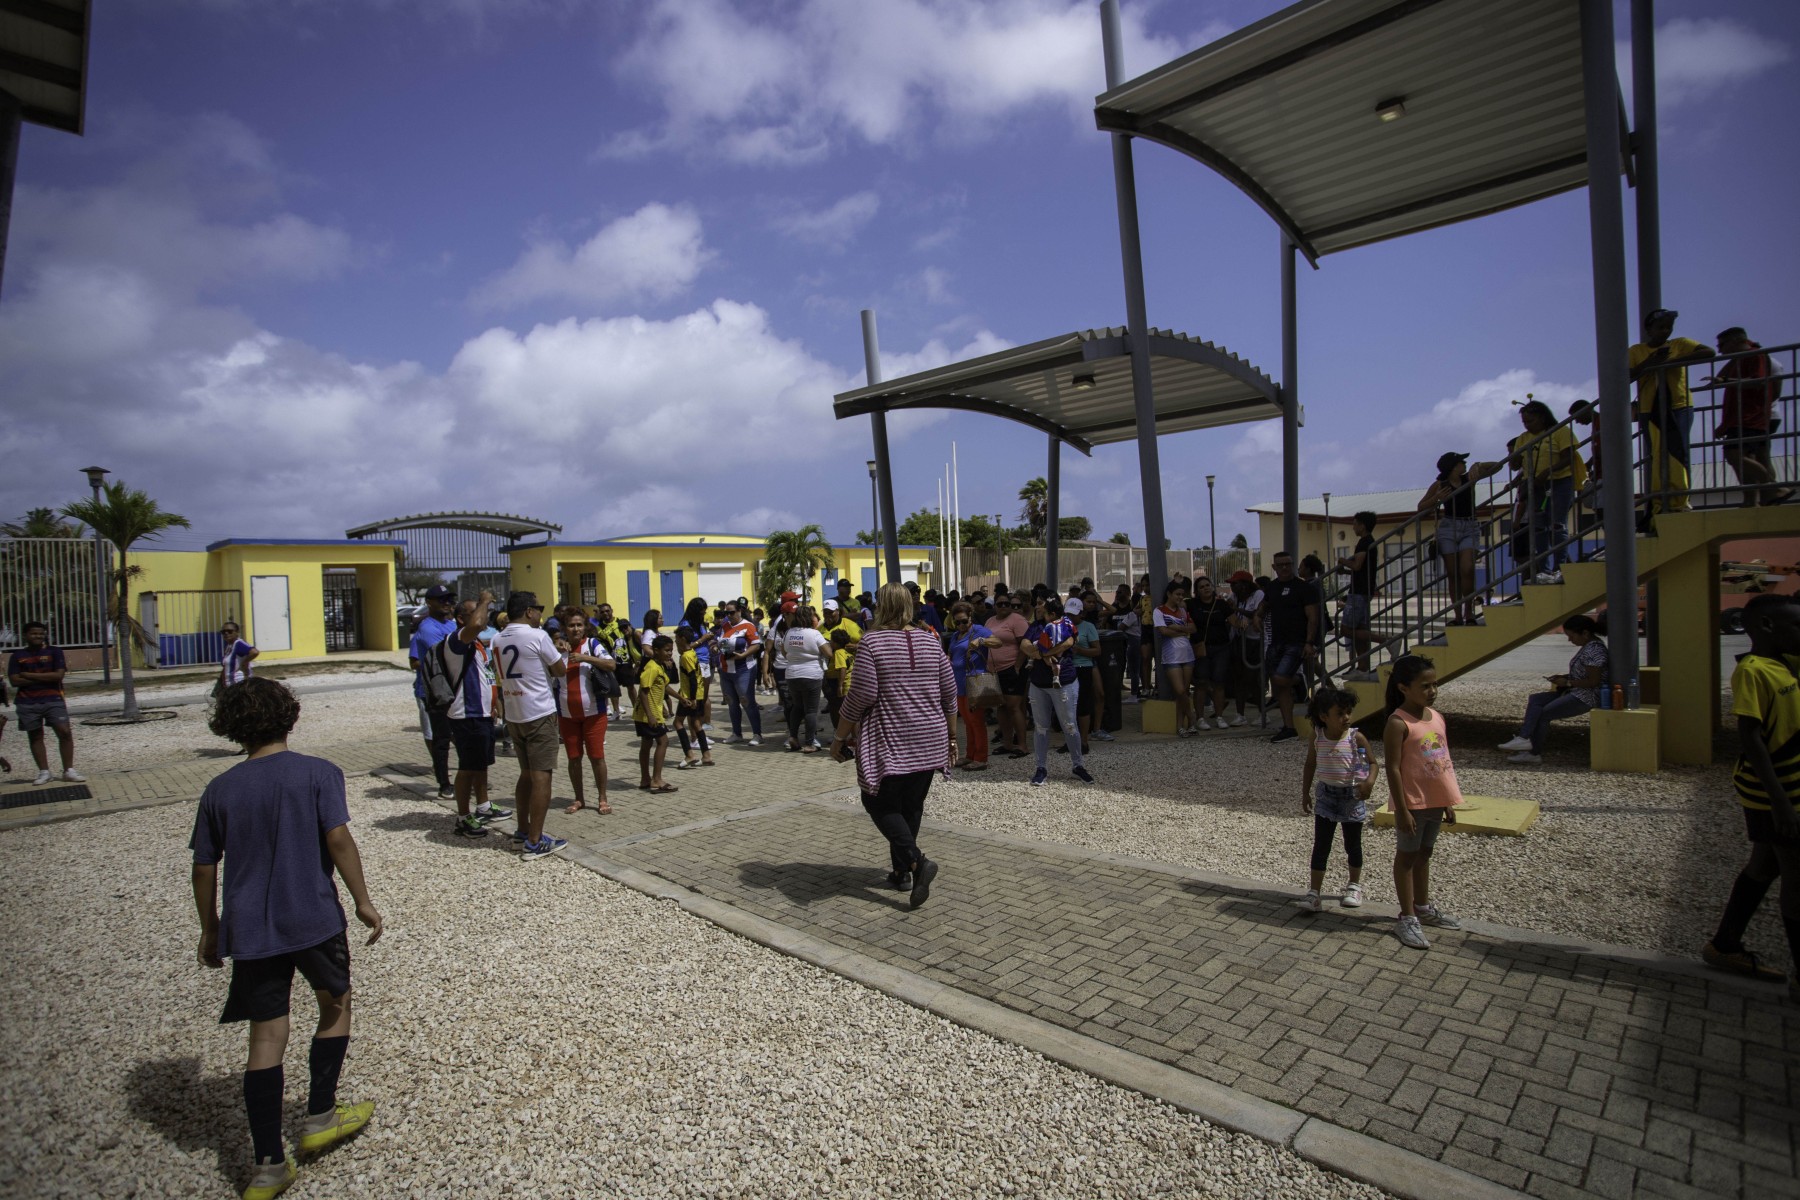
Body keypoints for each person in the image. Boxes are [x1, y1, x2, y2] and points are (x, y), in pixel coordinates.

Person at [189, 677, 382, 1200]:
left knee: (266, 1035)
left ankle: (268, 1165)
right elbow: (338, 839)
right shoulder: (318, 773)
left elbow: (204, 867)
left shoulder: (219, 789)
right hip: (313, 918)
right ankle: (320, 1114)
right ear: (289, 716)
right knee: (335, 1003)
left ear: (231, 728)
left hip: (252, 929)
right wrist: (363, 901)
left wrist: (211, 929)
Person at [830, 583, 955, 909]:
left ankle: (917, 861)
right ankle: (902, 872)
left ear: (881, 606)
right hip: (930, 737)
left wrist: (839, 737)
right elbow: (949, 693)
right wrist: (953, 737)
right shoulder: (930, 640)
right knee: (911, 806)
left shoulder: (872, 642)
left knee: (878, 802)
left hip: (891, 737)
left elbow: (861, 695)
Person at [1700, 593, 1800, 997]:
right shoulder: (1754, 672)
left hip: (1789, 785)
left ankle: (1725, 944)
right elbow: (1751, 737)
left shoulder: (1786, 664)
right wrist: (1779, 801)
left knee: (1765, 865)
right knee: (1795, 877)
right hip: (1774, 791)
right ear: (1767, 627)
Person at [1382, 654, 1464, 950]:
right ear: (1404, 688)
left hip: (1435, 802)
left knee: (1424, 854)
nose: (1432, 691)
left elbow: (1441, 760)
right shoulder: (1398, 723)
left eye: (1435, 685)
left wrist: (1446, 800)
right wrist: (1402, 809)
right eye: (1425, 686)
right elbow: (1393, 768)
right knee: (1406, 857)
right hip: (1413, 804)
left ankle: (1423, 907)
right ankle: (1406, 917)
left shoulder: (1436, 717)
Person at [491, 592, 569, 861]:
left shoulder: (497, 638)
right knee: (542, 776)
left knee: (525, 774)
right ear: (528, 611)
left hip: (514, 712)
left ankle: (522, 832)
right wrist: (560, 652)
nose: (541, 614)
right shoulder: (537, 635)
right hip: (539, 712)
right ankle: (535, 841)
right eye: (539, 608)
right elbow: (559, 670)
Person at [437, 592, 512, 838]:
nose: (483, 617)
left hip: (482, 714)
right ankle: (462, 817)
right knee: (467, 767)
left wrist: (493, 705)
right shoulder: (456, 641)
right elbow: (478, 624)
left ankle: (483, 805)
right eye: (476, 612)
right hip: (466, 715)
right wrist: (485, 600)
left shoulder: (477, 644)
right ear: (461, 619)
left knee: (481, 764)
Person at [1629, 307, 1712, 520]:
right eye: (1660, 327)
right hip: (1649, 408)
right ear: (1649, 329)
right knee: (1656, 455)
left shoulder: (1680, 344)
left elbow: (1708, 352)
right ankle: (1659, 500)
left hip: (1678, 405)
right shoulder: (1636, 351)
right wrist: (1651, 362)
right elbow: (1626, 375)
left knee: (1678, 451)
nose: (1665, 331)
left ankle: (1680, 499)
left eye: (1668, 327)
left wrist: (1671, 362)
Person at [1298, 685, 1374, 913]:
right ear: (1324, 716)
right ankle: (1314, 893)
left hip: (1351, 797)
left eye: (1348, 712)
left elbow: (1373, 763)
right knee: (1321, 844)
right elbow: (1310, 764)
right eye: (1340, 713)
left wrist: (1369, 782)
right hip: (1326, 797)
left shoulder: (1355, 737)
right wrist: (1305, 792)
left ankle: (1354, 886)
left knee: (1353, 844)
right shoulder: (1317, 736)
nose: (1346, 717)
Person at [1496, 615, 1610, 764]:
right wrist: (1564, 678)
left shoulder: (1594, 650)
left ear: (1585, 633)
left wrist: (1568, 682)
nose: (1569, 640)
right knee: (1536, 700)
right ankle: (1523, 738)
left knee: (1544, 713)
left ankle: (1533, 752)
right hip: (1575, 691)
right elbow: (1584, 674)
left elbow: (1593, 681)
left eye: (1571, 636)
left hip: (1586, 696)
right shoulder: (1589, 646)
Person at [1419, 452, 1503, 626]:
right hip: (1448, 527)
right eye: (1461, 462)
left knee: (1467, 568)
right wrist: (1436, 498)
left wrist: (1479, 464)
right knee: (1453, 574)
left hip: (1469, 526)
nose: (1464, 463)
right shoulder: (1440, 484)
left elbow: (1498, 466)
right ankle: (1458, 615)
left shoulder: (1469, 477)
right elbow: (1421, 507)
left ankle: (1469, 612)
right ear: (1453, 466)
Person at [1712, 326, 1788, 507]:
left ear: (1736, 341)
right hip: (1742, 418)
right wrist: (1734, 357)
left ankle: (1774, 488)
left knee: (1735, 455)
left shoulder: (1755, 355)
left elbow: (1759, 382)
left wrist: (1728, 380)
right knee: (1748, 458)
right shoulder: (1742, 358)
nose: (1719, 350)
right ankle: (1760, 498)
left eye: (1722, 345)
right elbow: (1719, 378)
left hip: (1749, 418)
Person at [1021, 596, 1093, 787]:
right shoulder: (1036, 626)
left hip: (1064, 682)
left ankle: (1078, 764)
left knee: (1069, 725)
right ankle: (1041, 767)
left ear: (1051, 612)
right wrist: (1040, 654)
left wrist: (1044, 653)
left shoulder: (1066, 624)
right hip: (1038, 684)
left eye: (1041, 605)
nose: (1037, 608)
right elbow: (1024, 645)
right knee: (1041, 727)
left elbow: (1069, 642)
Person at [553, 610, 615, 816]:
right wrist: (554, 646)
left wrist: (584, 658)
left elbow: (611, 664)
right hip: (566, 714)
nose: (576, 629)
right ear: (565, 628)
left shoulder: (592, 644)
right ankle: (579, 798)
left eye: (579, 625)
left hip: (594, 713)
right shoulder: (558, 649)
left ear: (585, 626)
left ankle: (602, 798)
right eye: (571, 625)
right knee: (574, 758)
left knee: (596, 756)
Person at [7, 621, 82, 785]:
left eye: (41, 633)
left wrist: (28, 675)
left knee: (64, 732)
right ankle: (44, 772)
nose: (38, 636)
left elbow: (58, 676)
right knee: (35, 735)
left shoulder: (54, 652)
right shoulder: (17, 656)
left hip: (53, 699)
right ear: (25, 635)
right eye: (34, 633)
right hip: (27, 702)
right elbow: (14, 681)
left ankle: (68, 770)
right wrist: (45, 677)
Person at [1257, 553, 1320, 743]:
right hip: (1276, 641)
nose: (1285, 567)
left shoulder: (1304, 588)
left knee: (1281, 678)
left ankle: (1299, 681)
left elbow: (1313, 617)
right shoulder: (1272, 587)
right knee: (1278, 686)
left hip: (1297, 642)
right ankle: (1289, 727)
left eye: (1288, 564)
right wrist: (1257, 616)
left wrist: (1309, 642)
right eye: (1280, 565)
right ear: (1274, 567)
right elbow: (1264, 604)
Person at [1517, 398, 1579, 585]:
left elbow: (1569, 458)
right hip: (1535, 486)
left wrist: (1547, 472)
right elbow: (1516, 463)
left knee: (1557, 524)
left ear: (1542, 418)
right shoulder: (1523, 438)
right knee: (1539, 528)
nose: (1527, 425)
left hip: (1559, 482)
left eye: (1531, 421)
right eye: (1524, 422)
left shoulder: (1560, 431)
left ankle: (1559, 568)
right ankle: (1543, 570)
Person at [407, 584, 458, 799]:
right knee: (440, 738)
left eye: (449, 600)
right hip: (435, 691)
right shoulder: (428, 628)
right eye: (441, 600)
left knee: (460, 736)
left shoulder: (451, 624)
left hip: (453, 689)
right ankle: (444, 783)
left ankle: (468, 779)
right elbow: (447, 654)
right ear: (429, 603)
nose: (447, 604)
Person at [945, 600, 996, 770]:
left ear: (970, 618)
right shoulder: (955, 635)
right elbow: (952, 653)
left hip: (973, 683)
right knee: (968, 722)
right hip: (958, 684)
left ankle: (981, 758)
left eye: (963, 621)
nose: (960, 625)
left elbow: (997, 642)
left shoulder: (978, 630)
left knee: (977, 722)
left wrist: (981, 641)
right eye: (957, 622)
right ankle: (970, 755)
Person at [1332, 512, 1380, 681]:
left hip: (1359, 593)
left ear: (1362, 526)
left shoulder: (1364, 543)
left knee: (1346, 630)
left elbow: (1358, 565)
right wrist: (1346, 571)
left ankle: (1386, 640)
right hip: (1363, 591)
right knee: (1359, 631)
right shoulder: (1369, 542)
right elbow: (1361, 570)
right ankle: (1362, 667)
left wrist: (1343, 561)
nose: (1353, 527)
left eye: (1355, 524)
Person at [984, 593, 1031, 758]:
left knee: (1014, 706)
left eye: (1007, 603)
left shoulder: (1017, 620)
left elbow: (1025, 645)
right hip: (994, 671)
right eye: (1000, 604)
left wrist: (1017, 666)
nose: (1003, 606)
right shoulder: (990, 621)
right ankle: (1007, 743)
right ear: (995, 606)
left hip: (1012, 668)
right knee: (1001, 706)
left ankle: (1022, 745)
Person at [1147, 581, 1197, 735]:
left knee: (1184, 692)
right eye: (1177, 594)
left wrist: (1177, 628)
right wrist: (1184, 631)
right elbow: (1164, 631)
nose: (1180, 597)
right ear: (1169, 594)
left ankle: (1181, 725)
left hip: (1187, 654)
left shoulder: (1182, 611)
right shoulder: (1159, 611)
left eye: (1182, 594)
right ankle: (1191, 717)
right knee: (1180, 690)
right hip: (1171, 656)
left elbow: (1193, 629)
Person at [714, 599, 764, 745]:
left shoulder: (748, 626)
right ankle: (736, 733)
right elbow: (721, 642)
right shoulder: (725, 625)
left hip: (743, 670)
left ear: (739, 611)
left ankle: (757, 734)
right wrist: (717, 648)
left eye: (732, 612)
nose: (729, 615)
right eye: (726, 613)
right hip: (725, 670)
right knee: (731, 702)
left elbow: (756, 645)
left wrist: (743, 655)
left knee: (747, 702)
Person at [781, 605, 829, 754]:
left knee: (797, 706)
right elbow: (828, 653)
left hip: (792, 674)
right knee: (811, 710)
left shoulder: (788, 632)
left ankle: (793, 737)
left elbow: (784, 652)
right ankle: (809, 743)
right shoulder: (814, 634)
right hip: (811, 674)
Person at [1188, 576, 1235, 728]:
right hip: (1201, 648)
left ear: (1212, 587)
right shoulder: (1192, 604)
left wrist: (1246, 620)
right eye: (1201, 587)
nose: (1206, 588)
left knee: (1219, 682)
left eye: (1207, 585)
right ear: (1197, 591)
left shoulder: (1221, 604)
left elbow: (1234, 621)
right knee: (1201, 682)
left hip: (1221, 647)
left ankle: (1219, 716)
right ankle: (1200, 718)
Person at [634, 634, 678, 792]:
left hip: (648, 714)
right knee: (663, 742)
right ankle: (656, 780)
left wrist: (681, 698)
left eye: (671, 650)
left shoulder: (659, 666)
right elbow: (643, 692)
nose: (669, 653)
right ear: (656, 650)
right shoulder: (652, 667)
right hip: (649, 714)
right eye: (666, 650)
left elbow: (664, 686)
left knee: (646, 744)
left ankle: (645, 779)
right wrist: (650, 715)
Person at [672, 627, 714, 769]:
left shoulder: (686, 656)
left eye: (677, 639)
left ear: (683, 639)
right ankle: (706, 755)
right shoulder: (691, 652)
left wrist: (692, 698)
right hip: (698, 694)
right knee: (696, 724)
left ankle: (689, 755)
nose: (675, 641)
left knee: (677, 723)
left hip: (689, 696)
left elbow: (692, 678)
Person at [1223, 571, 1261, 727]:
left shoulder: (1258, 595)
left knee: (1252, 679)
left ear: (1245, 585)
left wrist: (1237, 610)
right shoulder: (1235, 597)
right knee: (1238, 678)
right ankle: (1240, 714)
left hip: (1255, 641)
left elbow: (1257, 614)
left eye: (1235, 584)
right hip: (1239, 639)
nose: (1232, 587)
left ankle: (1262, 712)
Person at [1073, 598, 1109, 746]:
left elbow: (1097, 650)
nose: (1070, 617)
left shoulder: (1088, 626)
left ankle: (1090, 734)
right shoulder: (1061, 626)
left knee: (1091, 697)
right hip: (1068, 667)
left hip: (1086, 665)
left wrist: (1079, 650)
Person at [218, 621, 259, 692]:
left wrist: (244, 663)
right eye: (223, 632)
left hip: (239, 684)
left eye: (230, 631)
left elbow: (254, 652)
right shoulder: (229, 646)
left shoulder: (239, 643)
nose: (226, 633)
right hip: (230, 685)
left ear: (237, 632)